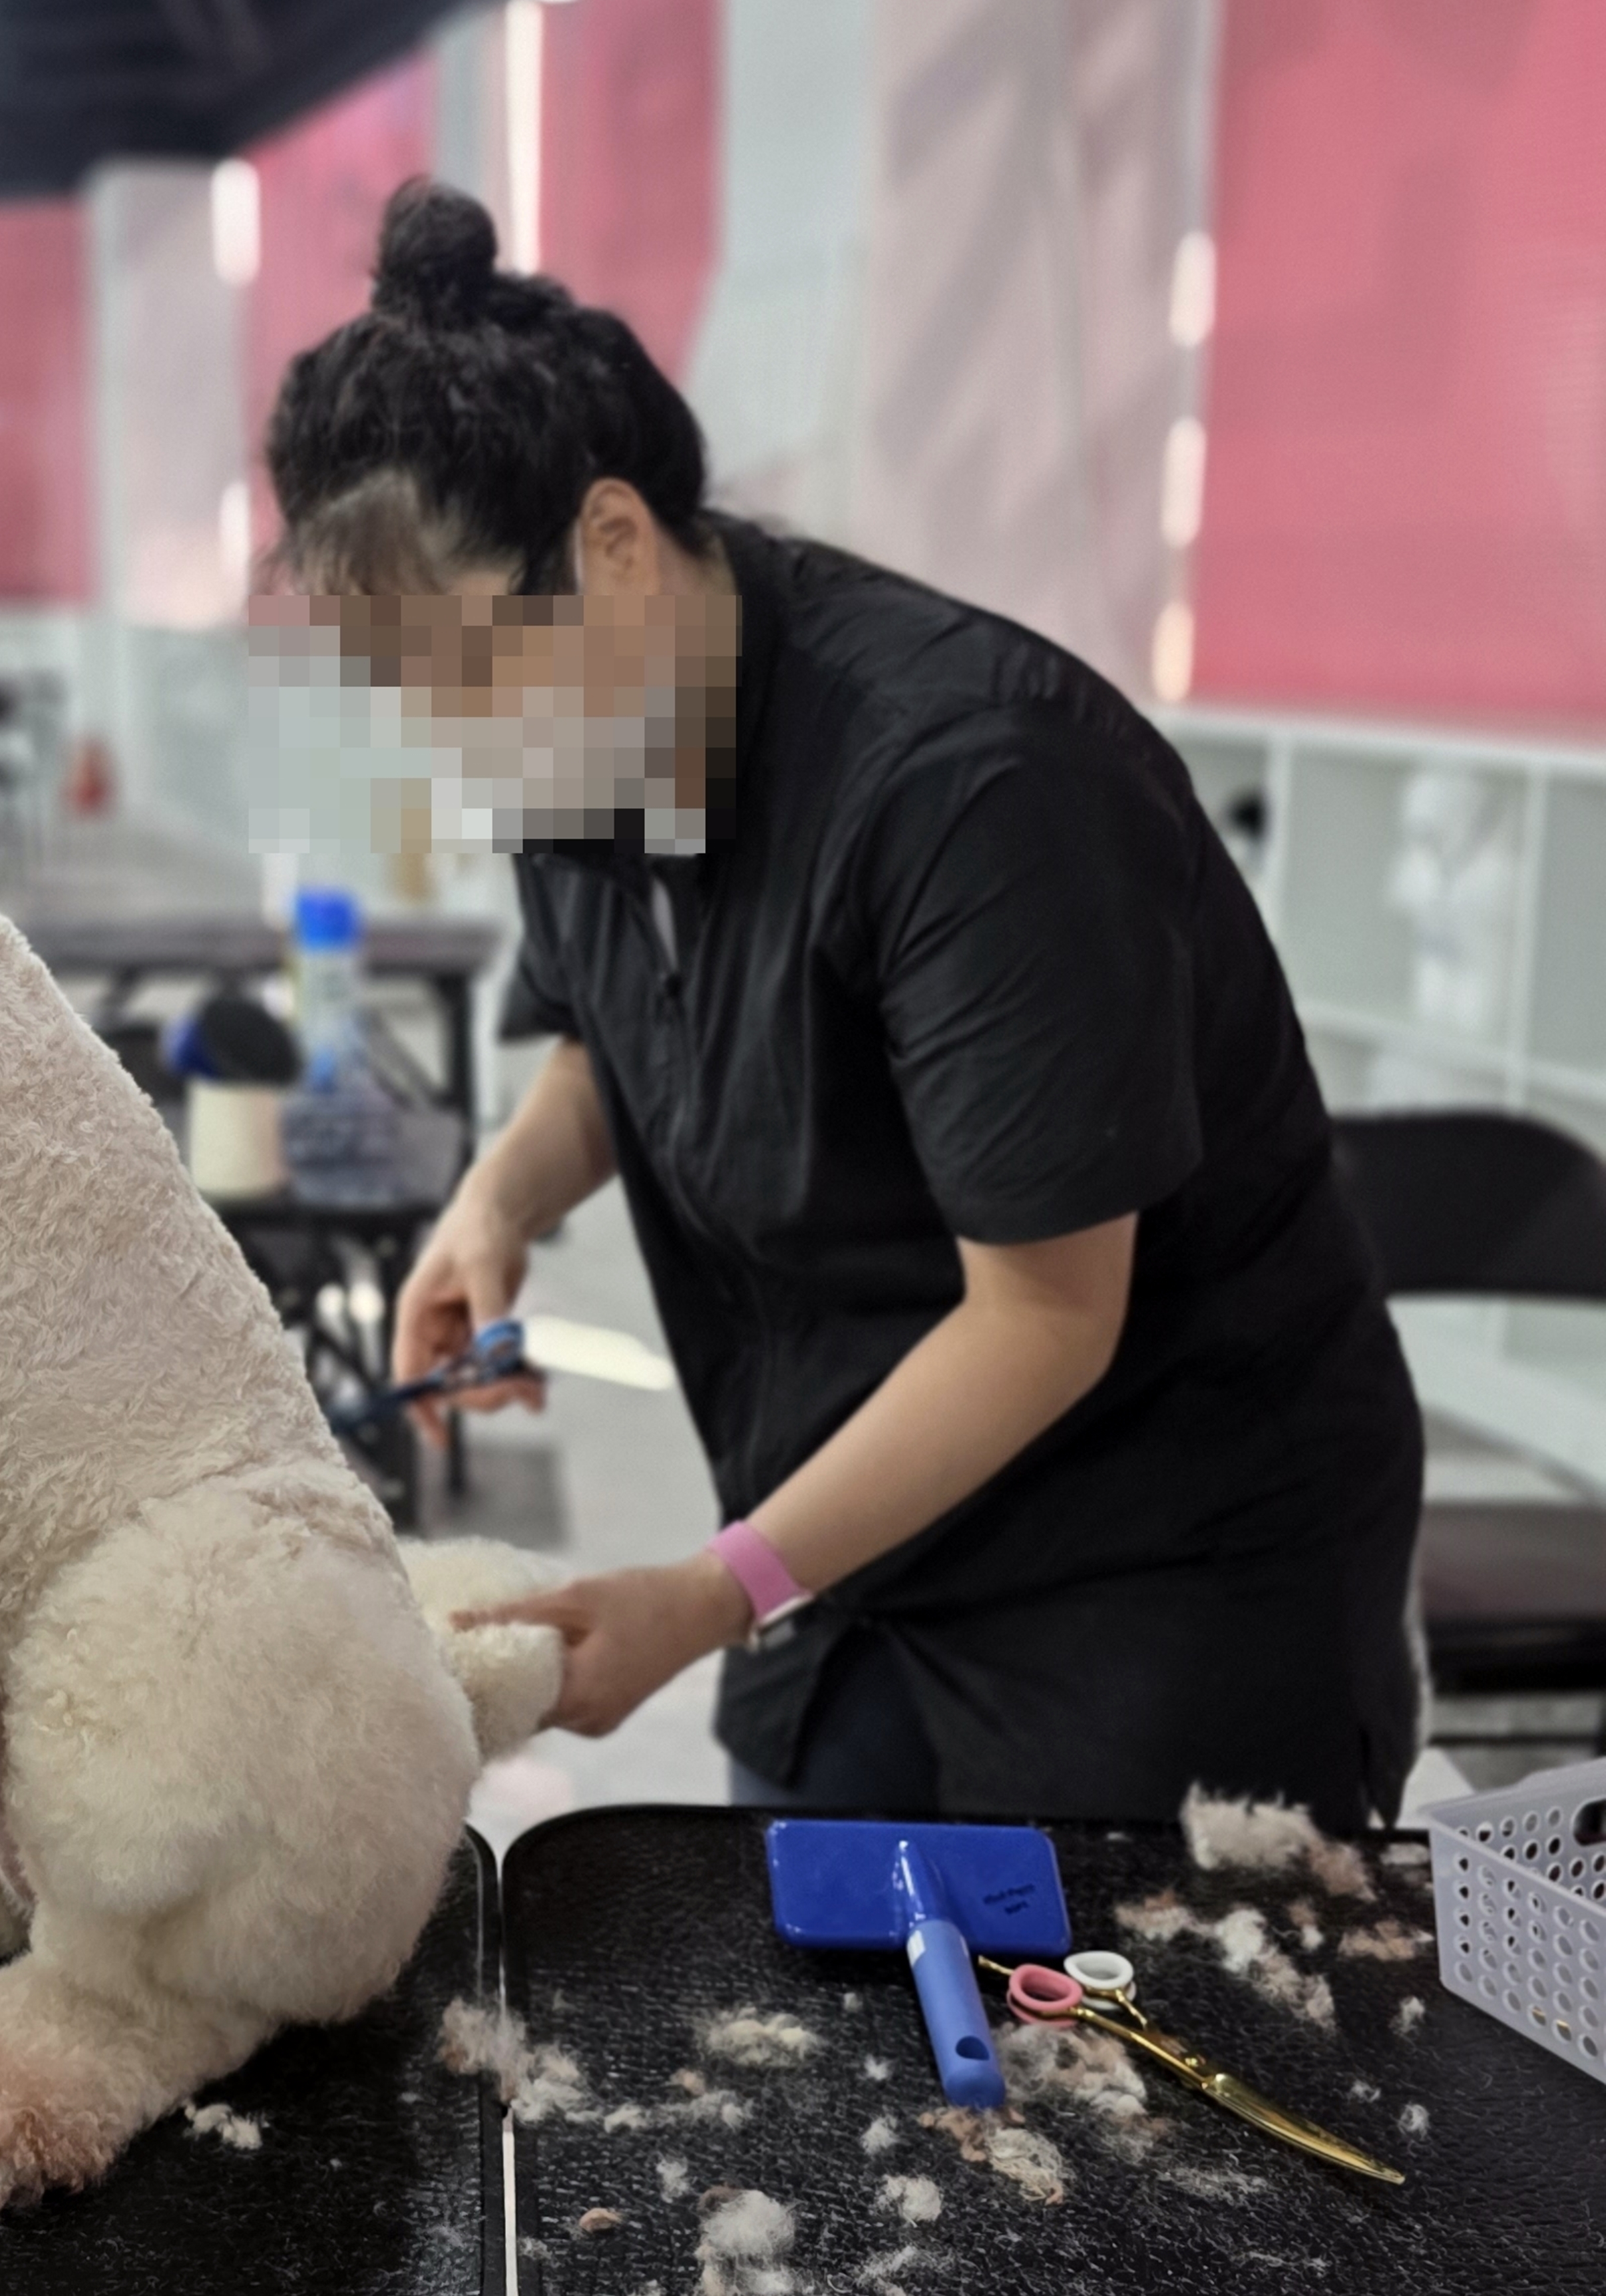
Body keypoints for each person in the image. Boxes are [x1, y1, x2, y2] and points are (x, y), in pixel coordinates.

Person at [264, 184, 1421, 1831]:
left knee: (1098, 2044)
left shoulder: (970, 790)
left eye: (456, 677)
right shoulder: (591, 743)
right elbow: (626, 1023)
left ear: (607, 546)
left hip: (1148, 1566)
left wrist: (706, 1588)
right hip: (847, 1525)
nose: (445, 741)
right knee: (797, 1983)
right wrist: (498, 1195)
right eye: (398, 698)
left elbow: (1041, 1314)